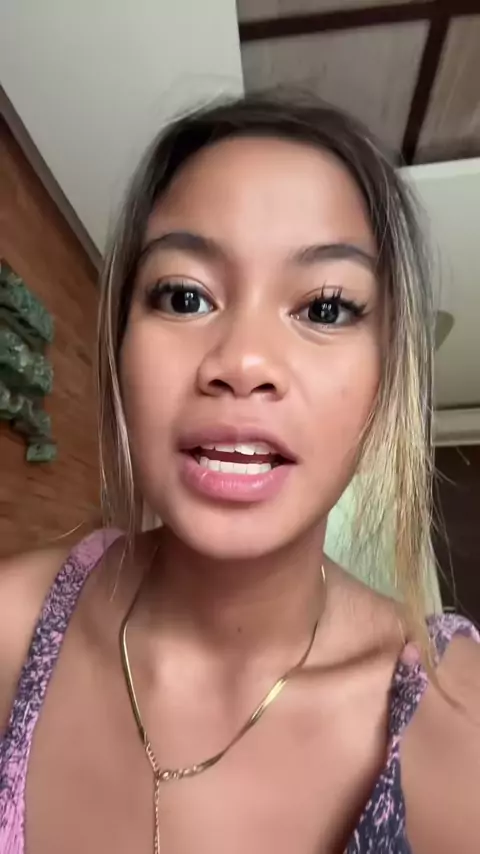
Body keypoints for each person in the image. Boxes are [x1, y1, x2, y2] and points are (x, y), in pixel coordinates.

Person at [0, 95, 479, 854]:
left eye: (325, 309)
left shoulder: (457, 719)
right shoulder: (11, 625)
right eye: (185, 296)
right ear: (120, 347)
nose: (243, 362)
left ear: (387, 377)